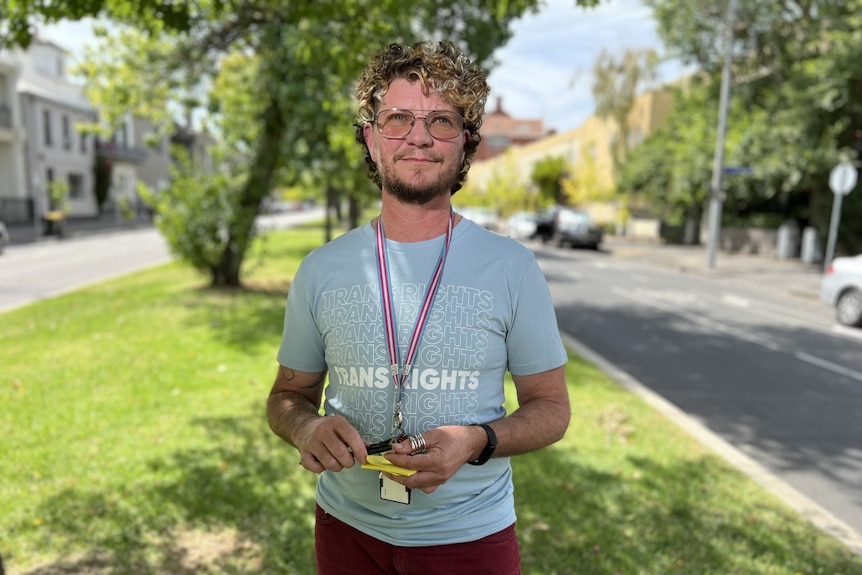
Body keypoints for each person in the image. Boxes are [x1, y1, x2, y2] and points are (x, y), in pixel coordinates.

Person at [267, 40, 570, 575]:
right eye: (398, 118)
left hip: (471, 538)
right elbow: (288, 397)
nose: (420, 137)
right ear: (371, 136)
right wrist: (305, 429)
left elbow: (552, 409)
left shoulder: (512, 267)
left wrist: (477, 440)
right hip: (345, 531)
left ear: (466, 144)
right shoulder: (321, 269)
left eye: (442, 121)